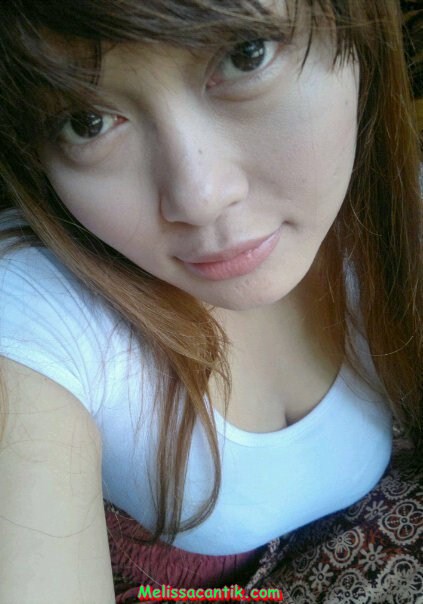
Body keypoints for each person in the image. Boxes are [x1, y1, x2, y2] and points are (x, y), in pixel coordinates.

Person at [0, 1, 421, 602]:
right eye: (87, 122)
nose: (199, 199)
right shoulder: (33, 304)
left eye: (246, 55)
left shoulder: (402, 215)